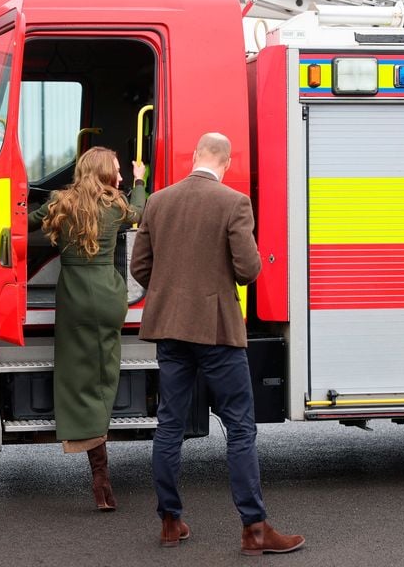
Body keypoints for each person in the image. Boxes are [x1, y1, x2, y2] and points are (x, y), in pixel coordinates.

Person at [130, 132, 305, 554]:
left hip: (170, 329)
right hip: (217, 332)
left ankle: (170, 523)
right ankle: (255, 529)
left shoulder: (158, 201)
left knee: (169, 425)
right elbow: (248, 269)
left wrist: (173, 292)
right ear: (226, 162)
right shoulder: (233, 202)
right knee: (240, 427)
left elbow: (139, 266)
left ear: (194, 157)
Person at [28, 146, 146, 511]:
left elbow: (26, 221)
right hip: (110, 298)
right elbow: (140, 212)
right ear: (105, 174)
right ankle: (102, 477)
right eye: (118, 171)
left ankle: (99, 477)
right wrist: (141, 182)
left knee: (76, 378)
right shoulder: (116, 204)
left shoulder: (61, 203)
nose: (122, 177)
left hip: (74, 297)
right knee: (104, 375)